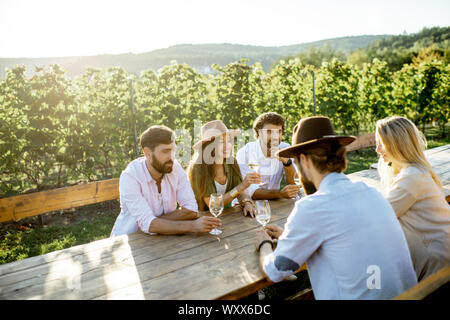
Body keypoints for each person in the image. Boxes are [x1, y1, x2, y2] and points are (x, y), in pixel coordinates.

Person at [254, 116, 417, 299]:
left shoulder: (312, 207)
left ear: (304, 160)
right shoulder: (372, 193)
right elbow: (342, 238)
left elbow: (274, 271)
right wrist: (289, 236)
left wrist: (264, 244)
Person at [111, 125, 221, 237]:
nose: (172, 157)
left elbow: (191, 210)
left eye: (173, 150)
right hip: (128, 239)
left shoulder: (175, 168)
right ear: (148, 153)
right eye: (166, 151)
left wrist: (154, 223)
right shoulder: (130, 176)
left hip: (164, 238)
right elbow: (149, 225)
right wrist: (192, 226)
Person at [375, 116, 450, 281]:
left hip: (438, 261)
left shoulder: (412, 177)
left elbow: (379, 215)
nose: (377, 150)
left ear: (398, 144)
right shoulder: (413, 172)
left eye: (382, 143)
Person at [187, 120, 261, 216]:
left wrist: (247, 202)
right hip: (201, 218)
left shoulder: (231, 162)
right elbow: (212, 205)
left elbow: (241, 192)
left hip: (226, 216)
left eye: (229, 141)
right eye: (221, 142)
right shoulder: (198, 167)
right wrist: (240, 187)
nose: (228, 146)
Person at [236, 112, 300, 200]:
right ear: (259, 132)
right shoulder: (245, 153)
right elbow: (252, 193)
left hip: (275, 204)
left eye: (279, 132)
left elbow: (294, 184)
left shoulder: (285, 148)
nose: (275, 137)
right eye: (269, 132)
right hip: (247, 205)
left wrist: (287, 163)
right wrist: (280, 194)